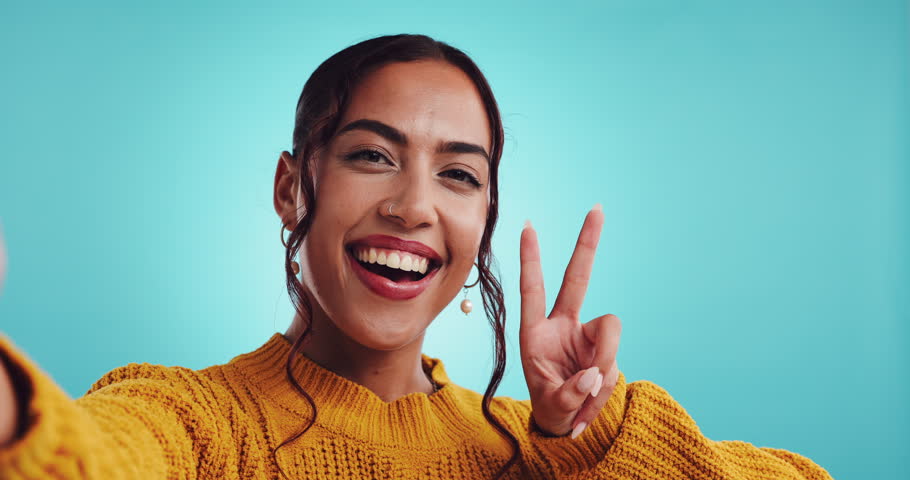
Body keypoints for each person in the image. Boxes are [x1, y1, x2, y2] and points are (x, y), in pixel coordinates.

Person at [0, 34, 833, 479]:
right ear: (293, 187)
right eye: (371, 154)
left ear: (483, 222)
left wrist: (587, 434)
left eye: (460, 174)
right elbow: (93, 454)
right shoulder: (197, 421)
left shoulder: (536, 446)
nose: (415, 205)